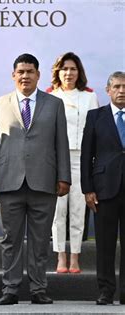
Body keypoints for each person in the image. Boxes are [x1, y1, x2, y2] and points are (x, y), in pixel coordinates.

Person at [0, 53, 71, 305]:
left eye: (30, 71)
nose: (25, 76)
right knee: (10, 240)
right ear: (13, 75)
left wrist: (64, 176)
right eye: (20, 72)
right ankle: (10, 289)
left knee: (40, 241)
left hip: (44, 183)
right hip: (8, 183)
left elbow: (61, 144)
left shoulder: (54, 104)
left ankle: (38, 289)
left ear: (38, 75)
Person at [48, 52, 99, 274]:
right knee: (58, 210)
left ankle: (75, 256)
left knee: (78, 209)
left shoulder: (89, 96)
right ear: (58, 72)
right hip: (57, 159)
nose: (68, 73)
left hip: (81, 158)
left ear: (79, 73)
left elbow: (96, 130)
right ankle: (60, 255)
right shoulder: (49, 96)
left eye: (73, 69)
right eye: (64, 69)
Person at [81, 71, 125, 305]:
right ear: (108, 90)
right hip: (104, 189)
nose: (122, 91)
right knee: (105, 244)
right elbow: (87, 155)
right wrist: (87, 189)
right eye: (117, 86)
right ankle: (106, 291)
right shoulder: (95, 116)